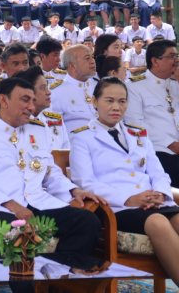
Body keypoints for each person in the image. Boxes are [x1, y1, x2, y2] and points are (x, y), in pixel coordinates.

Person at [0, 77, 104, 269]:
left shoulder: (37, 130)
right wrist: (12, 205)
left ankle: (59, 277)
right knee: (20, 234)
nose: (31, 106)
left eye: (32, 101)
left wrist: (73, 190)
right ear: (3, 100)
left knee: (86, 221)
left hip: (36, 203)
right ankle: (30, 283)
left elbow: (50, 171)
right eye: (25, 100)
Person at [70, 76, 179, 284]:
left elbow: (158, 172)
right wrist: (130, 198)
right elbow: (85, 182)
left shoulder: (137, 134)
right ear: (95, 102)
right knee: (157, 222)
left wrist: (160, 193)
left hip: (154, 202)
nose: (116, 107)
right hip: (117, 208)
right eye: (109, 100)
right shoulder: (82, 137)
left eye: (122, 101)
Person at [125, 40, 179, 187]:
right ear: (155, 61)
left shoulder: (175, 84)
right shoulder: (134, 86)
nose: (177, 60)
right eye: (172, 56)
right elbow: (135, 124)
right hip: (158, 151)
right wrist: (171, 144)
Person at [15, 66, 70, 150]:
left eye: (47, 87)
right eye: (43, 88)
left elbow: (66, 155)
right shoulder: (15, 124)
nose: (48, 92)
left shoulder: (56, 121)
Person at [50, 44, 98, 135]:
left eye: (92, 57)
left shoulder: (100, 86)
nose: (93, 61)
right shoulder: (56, 92)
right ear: (72, 66)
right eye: (87, 58)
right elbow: (55, 130)